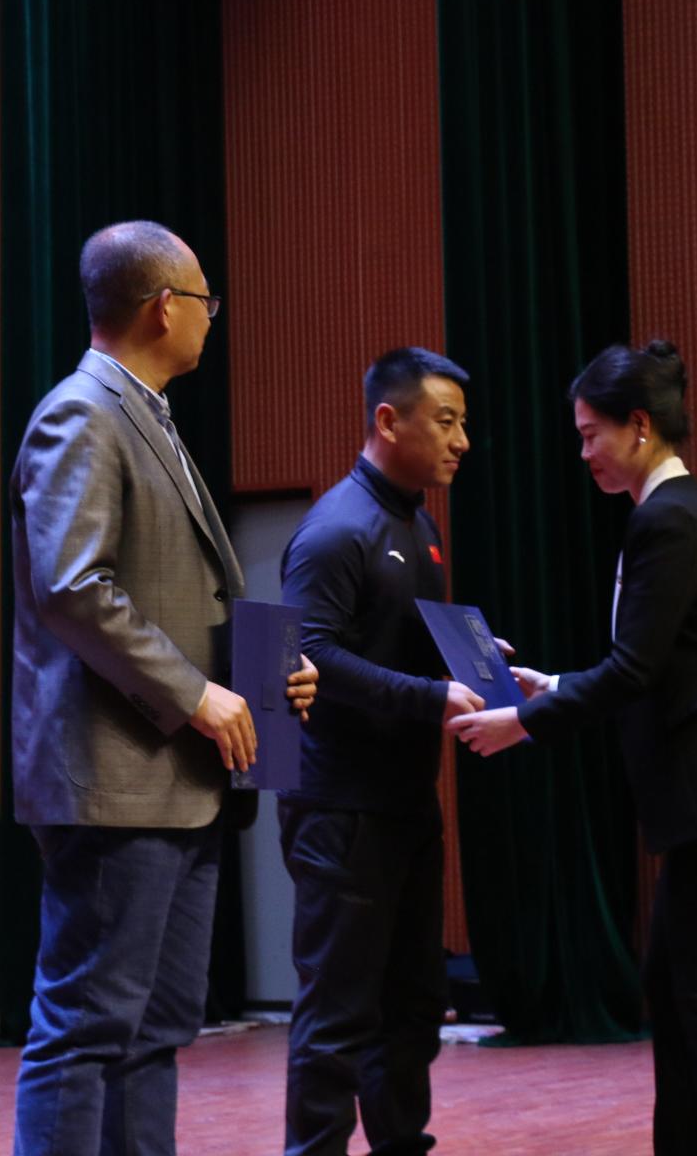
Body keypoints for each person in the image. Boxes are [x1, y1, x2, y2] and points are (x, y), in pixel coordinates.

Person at [448, 340, 697, 1156]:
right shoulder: (669, 513)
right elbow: (656, 661)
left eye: (592, 434)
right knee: (676, 985)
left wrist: (523, 722)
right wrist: (553, 684)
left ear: (641, 426)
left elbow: (635, 670)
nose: (583, 451)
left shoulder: (669, 518)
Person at [9, 219, 319, 1156]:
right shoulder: (82, 413)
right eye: (204, 300)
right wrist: (194, 694)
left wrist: (262, 680)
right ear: (162, 308)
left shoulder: (147, 413)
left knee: (156, 1028)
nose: (212, 317)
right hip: (116, 778)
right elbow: (73, 587)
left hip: (180, 779)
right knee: (87, 1027)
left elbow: (181, 598)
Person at [277, 348, 482, 1156]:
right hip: (339, 808)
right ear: (388, 421)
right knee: (337, 1016)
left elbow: (399, 641)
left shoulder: (420, 523)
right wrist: (431, 696)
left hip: (404, 802)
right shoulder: (337, 530)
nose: (462, 440)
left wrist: (475, 662)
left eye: (463, 423)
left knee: (413, 1005)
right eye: (446, 421)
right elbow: (311, 655)